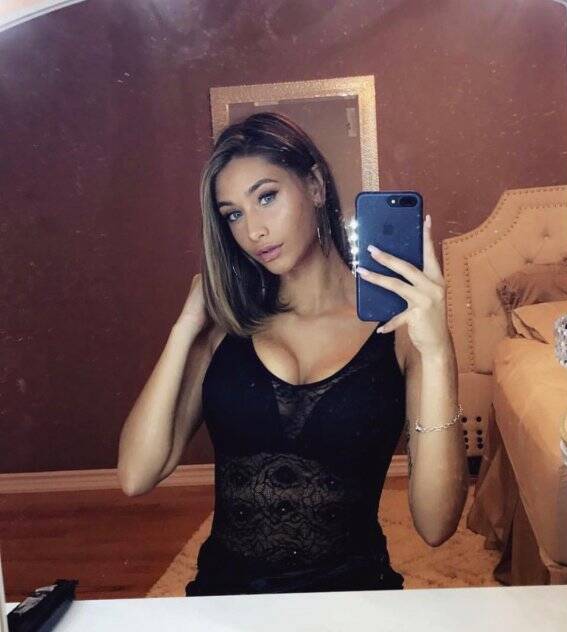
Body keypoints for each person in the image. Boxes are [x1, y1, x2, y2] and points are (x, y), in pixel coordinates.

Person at [117, 112, 468, 596]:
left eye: (266, 197)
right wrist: (184, 328)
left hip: (353, 603)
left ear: (316, 186)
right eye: (233, 214)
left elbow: (436, 525)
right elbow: (136, 475)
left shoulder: (402, 330)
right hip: (226, 603)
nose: (253, 231)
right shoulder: (226, 328)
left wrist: (439, 353)